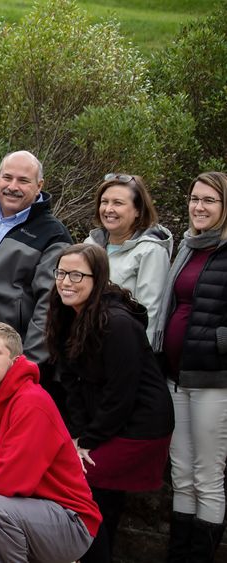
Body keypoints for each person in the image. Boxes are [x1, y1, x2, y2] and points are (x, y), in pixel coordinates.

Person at [45, 243, 173, 562]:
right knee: (93, 487)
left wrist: (88, 440)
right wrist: (76, 436)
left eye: (77, 275)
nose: (66, 282)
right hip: (105, 423)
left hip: (140, 426)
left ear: (98, 278)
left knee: (82, 479)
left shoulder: (118, 324)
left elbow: (121, 393)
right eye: (61, 273)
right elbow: (70, 382)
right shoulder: (65, 314)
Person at [0, 321, 101, 563]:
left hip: (70, 521)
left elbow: (12, 480)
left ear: (14, 361)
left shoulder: (32, 403)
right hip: (10, 518)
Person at [154, 171, 227, 563]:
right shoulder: (187, 248)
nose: (199, 207)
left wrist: (215, 343)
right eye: (195, 199)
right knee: (180, 473)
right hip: (175, 376)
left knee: (207, 477)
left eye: (209, 201)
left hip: (214, 381)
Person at [0, 150, 72, 366]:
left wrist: (28, 363)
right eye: (7, 177)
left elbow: (49, 306)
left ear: (39, 186)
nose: (12, 187)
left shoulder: (53, 235)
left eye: (23, 181)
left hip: (11, 353)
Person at [83, 174, 172, 343]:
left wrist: (141, 357)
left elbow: (150, 312)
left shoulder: (151, 250)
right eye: (104, 201)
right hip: (87, 344)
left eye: (118, 203)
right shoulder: (91, 244)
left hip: (124, 347)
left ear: (138, 210)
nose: (108, 209)